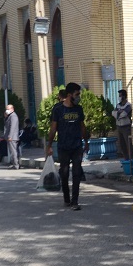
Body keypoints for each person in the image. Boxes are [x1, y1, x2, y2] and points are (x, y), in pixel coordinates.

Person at [47, 82, 89, 210]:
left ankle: (74, 201)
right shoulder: (58, 109)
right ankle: (66, 198)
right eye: (77, 94)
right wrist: (49, 145)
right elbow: (53, 128)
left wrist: (86, 141)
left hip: (76, 146)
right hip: (63, 146)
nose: (78, 97)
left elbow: (82, 126)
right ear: (69, 95)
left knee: (76, 173)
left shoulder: (78, 109)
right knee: (64, 173)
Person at [113, 89, 133, 160]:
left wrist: (118, 113)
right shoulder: (118, 105)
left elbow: (124, 114)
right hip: (119, 126)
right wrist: (118, 113)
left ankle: (132, 159)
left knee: (128, 143)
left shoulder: (128, 105)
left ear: (124, 96)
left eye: (120, 96)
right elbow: (113, 113)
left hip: (126, 126)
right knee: (122, 144)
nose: (119, 97)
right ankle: (126, 159)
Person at [3, 104, 20, 169]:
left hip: (12, 137)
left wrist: (10, 136)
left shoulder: (13, 116)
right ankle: (14, 164)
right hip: (10, 136)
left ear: (12, 109)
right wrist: (5, 117)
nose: (6, 110)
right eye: (6, 109)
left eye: (8, 109)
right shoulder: (9, 116)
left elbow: (12, 127)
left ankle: (16, 165)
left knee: (13, 151)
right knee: (12, 151)